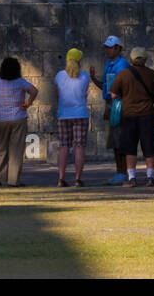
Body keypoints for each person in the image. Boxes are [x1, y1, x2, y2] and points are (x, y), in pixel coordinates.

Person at [109, 45, 154, 188]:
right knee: (149, 147)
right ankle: (150, 177)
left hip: (128, 115)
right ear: (145, 59)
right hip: (147, 115)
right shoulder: (152, 74)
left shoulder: (123, 75)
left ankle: (132, 178)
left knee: (130, 148)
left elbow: (114, 95)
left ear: (131, 59)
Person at [89, 35, 131, 185]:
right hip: (110, 106)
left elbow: (121, 90)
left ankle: (124, 172)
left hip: (118, 106)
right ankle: (119, 172)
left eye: (110, 47)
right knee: (114, 142)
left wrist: (113, 108)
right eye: (106, 47)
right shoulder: (109, 65)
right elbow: (108, 88)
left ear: (118, 48)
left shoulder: (122, 65)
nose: (107, 50)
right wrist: (94, 80)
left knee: (120, 141)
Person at [0, 57, 38, 188]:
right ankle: (13, 180)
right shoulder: (19, 82)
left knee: (1, 148)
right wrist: (27, 103)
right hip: (17, 117)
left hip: (1, 118)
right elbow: (34, 91)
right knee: (16, 150)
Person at [54, 48, 91, 187]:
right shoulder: (85, 77)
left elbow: (58, 94)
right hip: (80, 114)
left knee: (64, 146)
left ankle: (61, 178)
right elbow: (84, 93)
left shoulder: (59, 76)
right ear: (80, 61)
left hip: (63, 114)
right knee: (79, 146)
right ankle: (77, 178)